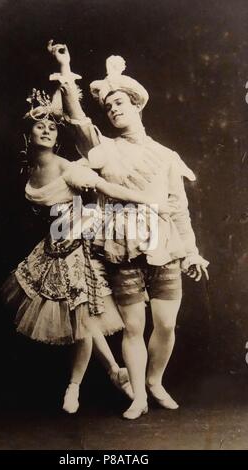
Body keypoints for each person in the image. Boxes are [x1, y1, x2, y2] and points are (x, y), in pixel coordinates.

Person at [49, 42, 209, 419]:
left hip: (164, 247)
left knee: (166, 324)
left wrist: (191, 249)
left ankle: (154, 381)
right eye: (108, 106)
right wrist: (67, 68)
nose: (114, 109)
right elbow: (78, 124)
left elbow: (178, 208)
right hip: (122, 249)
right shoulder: (105, 150)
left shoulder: (167, 156)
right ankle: (138, 396)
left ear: (136, 105)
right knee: (133, 327)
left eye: (120, 103)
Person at [2, 86, 158, 415]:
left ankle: (73, 387)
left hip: (82, 248)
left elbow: (105, 187)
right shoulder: (28, 169)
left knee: (83, 322)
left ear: (58, 135)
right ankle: (116, 372)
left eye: (52, 126)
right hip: (53, 249)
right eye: (39, 125)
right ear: (28, 132)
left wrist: (144, 199)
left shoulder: (66, 167)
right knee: (82, 321)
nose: (45, 129)